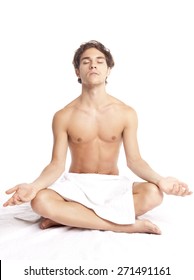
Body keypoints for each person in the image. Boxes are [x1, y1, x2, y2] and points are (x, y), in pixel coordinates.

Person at [3, 40, 192, 234]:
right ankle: (123, 226)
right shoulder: (63, 116)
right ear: (77, 71)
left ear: (108, 69)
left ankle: (71, 218)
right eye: (86, 61)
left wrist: (161, 180)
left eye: (100, 61)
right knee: (40, 201)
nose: (93, 65)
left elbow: (135, 160)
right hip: (76, 186)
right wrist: (34, 187)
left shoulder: (126, 113)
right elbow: (56, 164)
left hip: (112, 186)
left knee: (154, 194)